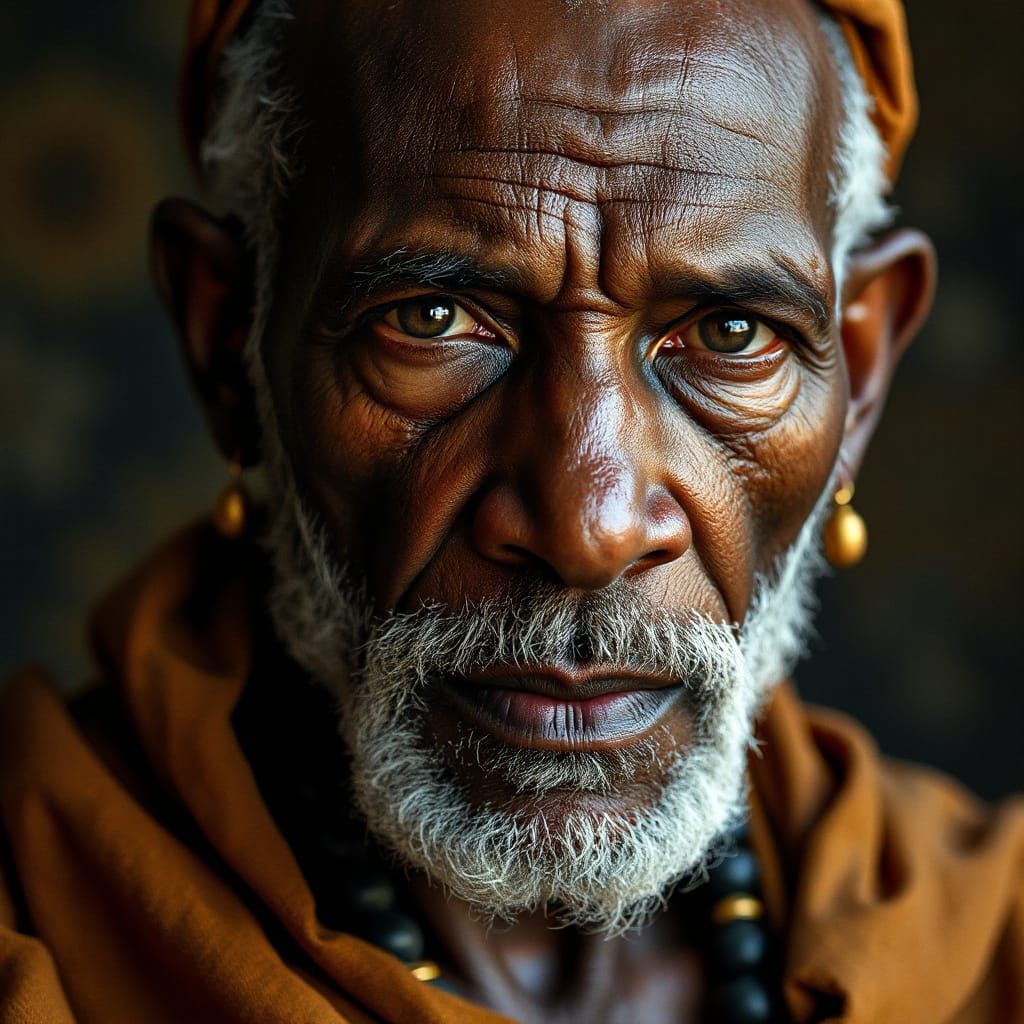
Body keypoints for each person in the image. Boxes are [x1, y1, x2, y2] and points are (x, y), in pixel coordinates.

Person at [1, 0, 1021, 1021]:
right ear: (227, 340)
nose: (588, 528)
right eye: (432, 319)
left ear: (862, 367)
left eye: (730, 330)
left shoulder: (992, 945)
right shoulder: (36, 921)